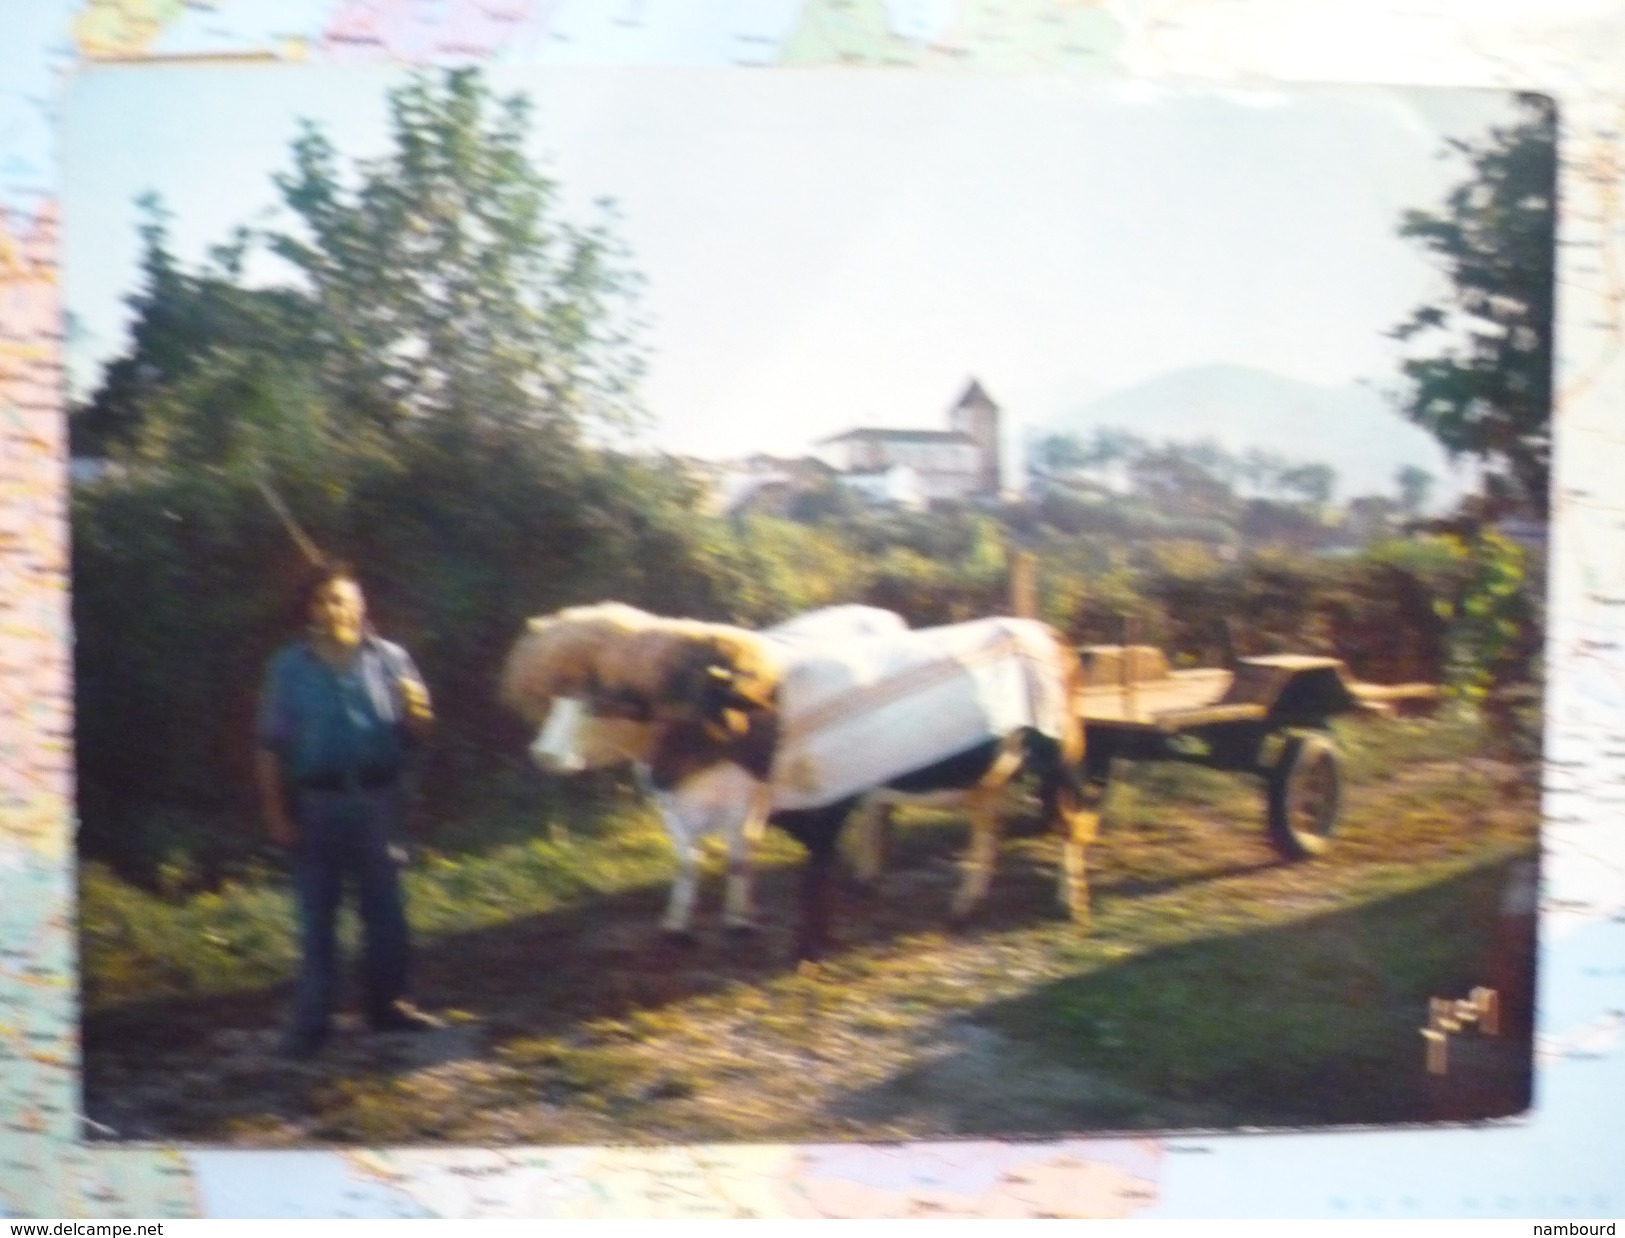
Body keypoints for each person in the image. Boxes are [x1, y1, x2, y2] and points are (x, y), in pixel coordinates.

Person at [256, 561, 438, 1058]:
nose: (331, 609)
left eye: (340, 599)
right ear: (310, 610)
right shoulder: (289, 667)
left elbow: (417, 735)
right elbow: (270, 747)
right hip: (317, 804)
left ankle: (388, 1007)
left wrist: (420, 714)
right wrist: (277, 814)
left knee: (387, 914)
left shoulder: (392, 660)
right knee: (318, 918)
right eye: (321, 601)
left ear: (360, 606)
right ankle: (313, 1023)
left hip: (380, 801)